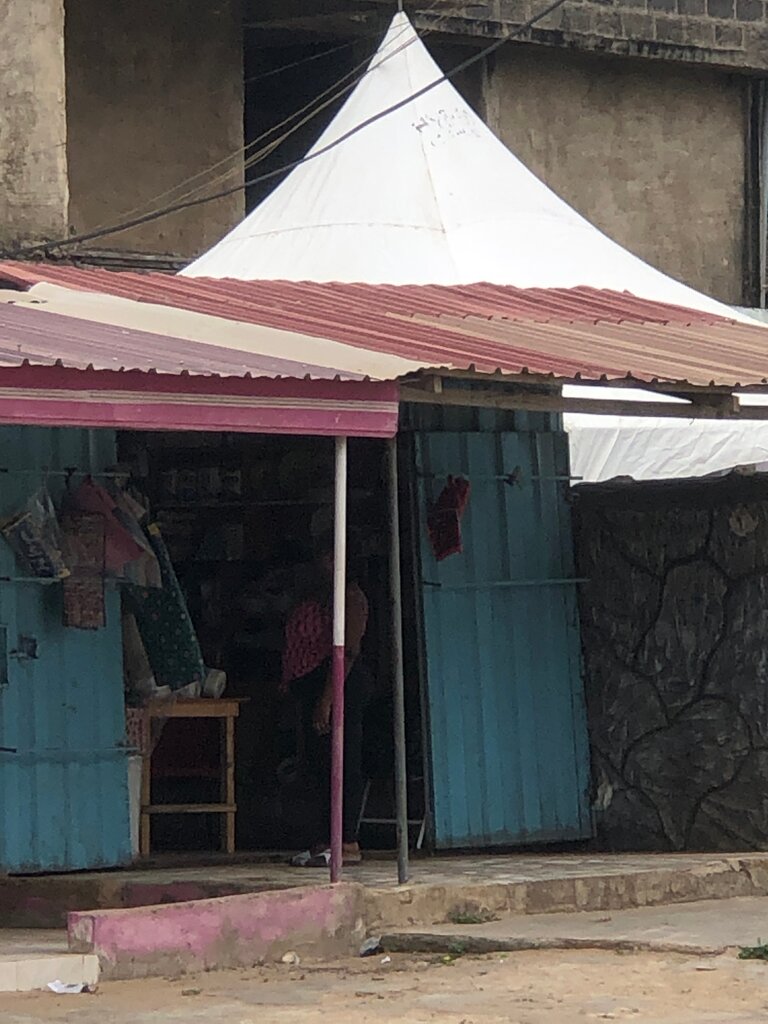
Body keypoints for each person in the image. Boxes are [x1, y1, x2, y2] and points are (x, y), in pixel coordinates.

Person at [281, 538, 369, 866]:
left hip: (339, 686)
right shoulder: (323, 597)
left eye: (332, 559)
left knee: (343, 761)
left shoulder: (351, 598)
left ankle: (347, 841)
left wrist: (327, 699)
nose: (324, 565)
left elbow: (347, 652)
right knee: (319, 765)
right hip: (316, 686)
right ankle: (324, 840)